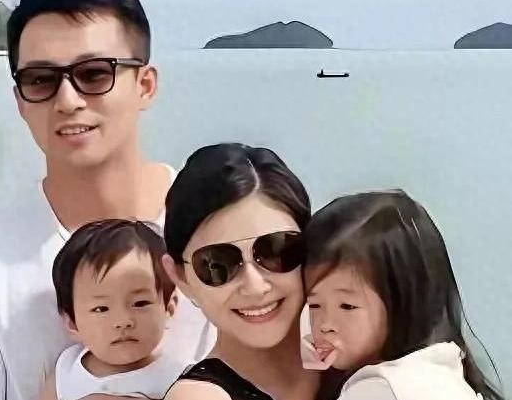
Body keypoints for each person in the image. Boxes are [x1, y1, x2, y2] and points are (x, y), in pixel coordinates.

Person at [0, 0, 213, 400]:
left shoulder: (217, 230)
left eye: (94, 74)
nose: (68, 100)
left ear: (145, 85)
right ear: (20, 101)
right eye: (41, 80)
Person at [301, 190, 504, 400]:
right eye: (314, 305)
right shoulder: (437, 373)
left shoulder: (379, 389)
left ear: (403, 302)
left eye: (347, 306)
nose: (325, 325)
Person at [161, 143, 320, 400]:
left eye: (275, 251)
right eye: (217, 264)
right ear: (180, 276)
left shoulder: (360, 363)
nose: (254, 286)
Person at [39, 219, 188, 400]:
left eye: (140, 303)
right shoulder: (66, 369)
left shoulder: (181, 378)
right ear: (72, 322)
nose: (123, 321)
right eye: (101, 309)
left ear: (169, 308)